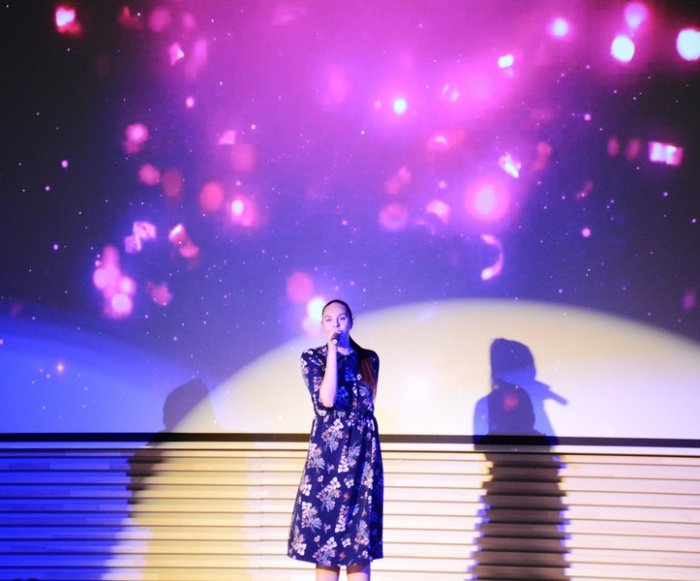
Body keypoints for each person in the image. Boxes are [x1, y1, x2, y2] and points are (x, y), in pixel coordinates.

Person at [288, 299, 383, 581]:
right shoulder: (312, 358)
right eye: (329, 320)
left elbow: (365, 405)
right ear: (322, 325)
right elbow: (327, 399)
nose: (336, 325)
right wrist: (332, 351)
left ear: (351, 322)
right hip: (328, 461)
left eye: (341, 318)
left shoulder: (369, 359)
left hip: (362, 459)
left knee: (359, 544)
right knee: (326, 544)